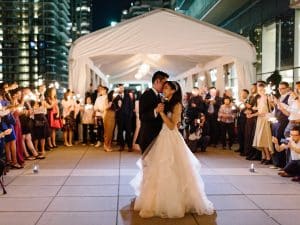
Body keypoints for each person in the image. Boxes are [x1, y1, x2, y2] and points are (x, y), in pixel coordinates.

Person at [131, 81, 214, 218]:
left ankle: (175, 202)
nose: (164, 89)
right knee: (158, 169)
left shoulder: (177, 105)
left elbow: (171, 126)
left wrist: (162, 112)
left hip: (171, 137)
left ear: (174, 91)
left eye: (167, 88)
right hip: (161, 137)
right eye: (163, 87)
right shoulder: (165, 101)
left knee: (172, 168)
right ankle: (158, 199)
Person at [137, 71, 169, 153]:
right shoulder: (146, 95)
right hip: (148, 136)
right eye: (164, 83)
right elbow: (142, 116)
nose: (165, 86)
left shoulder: (159, 96)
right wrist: (155, 111)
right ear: (157, 81)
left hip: (157, 135)